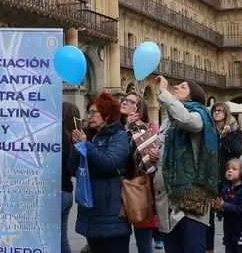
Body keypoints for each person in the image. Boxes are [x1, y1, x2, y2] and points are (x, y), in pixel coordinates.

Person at [150, 77, 219, 253]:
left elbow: (188, 121)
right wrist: (156, 156)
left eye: (183, 87)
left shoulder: (199, 114)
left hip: (190, 199)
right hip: (167, 198)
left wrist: (164, 93)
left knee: (192, 248)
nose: (176, 88)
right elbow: (166, 154)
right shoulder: (169, 122)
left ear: (192, 97)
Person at [69, 91, 131, 253]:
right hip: (91, 209)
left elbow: (109, 162)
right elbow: (73, 170)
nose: (89, 116)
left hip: (112, 211)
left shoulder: (119, 135)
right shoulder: (89, 136)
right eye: (88, 112)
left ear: (107, 113)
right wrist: (76, 148)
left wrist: (86, 146)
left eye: (93, 112)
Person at [121, 92, 160, 253]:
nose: (124, 102)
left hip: (140, 187)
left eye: (130, 101)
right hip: (119, 186)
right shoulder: (115, 125)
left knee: (143, 241)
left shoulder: (148, 128)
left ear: (139, 108)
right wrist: (125, 129)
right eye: (124, 99)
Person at [207, 102, 242, 253]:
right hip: (209, 178)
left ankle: (230, 247)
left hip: (226, 178)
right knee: (208, 217)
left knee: (228, 214)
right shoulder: (207, 131)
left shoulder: (235, 131)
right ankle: (209, 249)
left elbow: (237, 152)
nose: (217, 113)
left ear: (226, 113)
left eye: (221, 110)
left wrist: (226, 137)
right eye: (215, 110)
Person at [213, 159, 242, 253]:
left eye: (234, 169)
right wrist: (218, 207)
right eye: (228, 169)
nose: (229, 171)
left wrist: (224, 205)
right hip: (230, 233)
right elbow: (224, 209)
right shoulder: (226, 189)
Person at [62, 101, 82, 253]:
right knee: (62, 239)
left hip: (56, 193)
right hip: (67, 192)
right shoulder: (75, 141)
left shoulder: (59, 139)